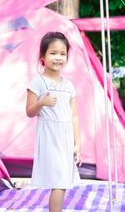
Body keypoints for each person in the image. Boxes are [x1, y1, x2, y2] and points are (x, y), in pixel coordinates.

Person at [26, 32, 82, 212]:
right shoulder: (38, 82)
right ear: (42, 56)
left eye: (62, 53)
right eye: (53, 53)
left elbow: (74, 115)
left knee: (63, 181)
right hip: (51, 138)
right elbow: (29, 111)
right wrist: (41, 103)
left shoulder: (68, 86)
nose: (58, 58)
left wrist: (77, 144)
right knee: (59, 182)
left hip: (66, 139)